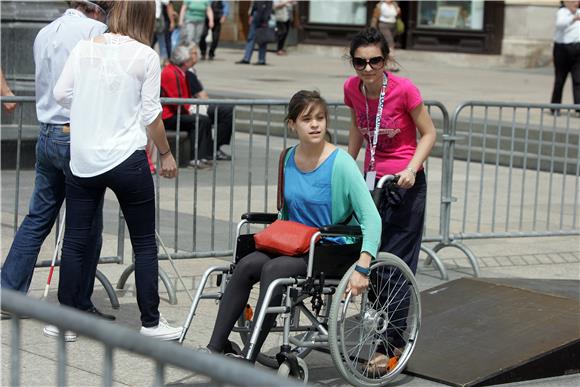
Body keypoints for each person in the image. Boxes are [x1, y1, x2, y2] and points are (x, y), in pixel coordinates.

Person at [200, 90, 382, 362]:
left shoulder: (341, 163)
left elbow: (372, 219)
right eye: (307, 119)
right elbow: (286, 212)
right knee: (246, 266)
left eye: (320, 118)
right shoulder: (287, 158)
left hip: (329, 248)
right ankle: (213, 349)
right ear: (292, 124)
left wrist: (363, 267)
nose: (315, 124)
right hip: (294, 243)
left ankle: (247, 358)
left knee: (274, 270)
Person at [53, 0, 182, 340]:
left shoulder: (83, 49)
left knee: (76, 239)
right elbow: (151, 114)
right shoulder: (145, 56)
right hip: (126, 156)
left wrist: (89, 106)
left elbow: (60, 92)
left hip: (84, 157)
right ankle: (150, 321)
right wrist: (166, 153)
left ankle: (65, 320)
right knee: (143, 243)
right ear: (144, 17)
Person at [1, 0, 115, 325]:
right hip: (75, 130)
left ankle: (8, 290)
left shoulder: (45, 31)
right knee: (87, 224)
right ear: (95, 9)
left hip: (48, 131)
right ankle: (77, 300)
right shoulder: (95, 30)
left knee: (38, 216)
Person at [344, 27, 436, 373]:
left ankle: (391, 345)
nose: (367, 68)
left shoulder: (404, 90)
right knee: (372, 261)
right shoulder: (351, 88)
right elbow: (357, 126)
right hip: (371, 181)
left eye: (375, 61)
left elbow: (429, 133)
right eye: (360, 62)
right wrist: (346, 163)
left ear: (387, 59)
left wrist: (413, 167)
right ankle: (378, 329)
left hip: (404, 182)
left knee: (397, 262)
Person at [161, 44, 214, 168]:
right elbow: (176, 99)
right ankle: (196, 158)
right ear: (184, 61)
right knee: (199, 121)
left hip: (176, 112)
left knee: (203, 120)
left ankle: (205, 155)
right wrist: (188, 111)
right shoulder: (171, 73)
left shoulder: (178, 72)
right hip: (169, 116)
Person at [186, 43, 232, 160]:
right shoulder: (188, 72)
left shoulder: (191, 71)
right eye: (194, 53)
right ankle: (213, 148)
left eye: (196, 53)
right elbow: (202, 96)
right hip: (194, 107)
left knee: (225, 109)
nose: (196, 56)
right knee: (226, 110)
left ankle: (215, 147)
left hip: (199, 105)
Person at [550, 1, 580, 115]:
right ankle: (555, 107)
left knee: (578, 80)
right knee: (560, 80)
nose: (576, 3)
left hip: (577, 49)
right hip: (562, 49)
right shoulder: (562, 12)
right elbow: (560, 24)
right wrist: (573, 18)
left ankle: (578, 107)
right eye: (573, 1)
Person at [235, 1, 273, 65]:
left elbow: (269, 8)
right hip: (256, 16)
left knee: (262, 40)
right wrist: (251, 16)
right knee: (251, 38)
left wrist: (265, 19)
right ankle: (247, 59)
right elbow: (255, 5)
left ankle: (261, 60)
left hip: (263, 17)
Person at [371, 0, 401, 72]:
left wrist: (399, 12)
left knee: (386, 45)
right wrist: (373, 28)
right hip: (383, 25)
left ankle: (385, 64)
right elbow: (375, 17)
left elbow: (397, 16)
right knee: (391, 44)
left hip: (393, 26)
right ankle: (391, 65)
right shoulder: (380, 5)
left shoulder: (395, 5)